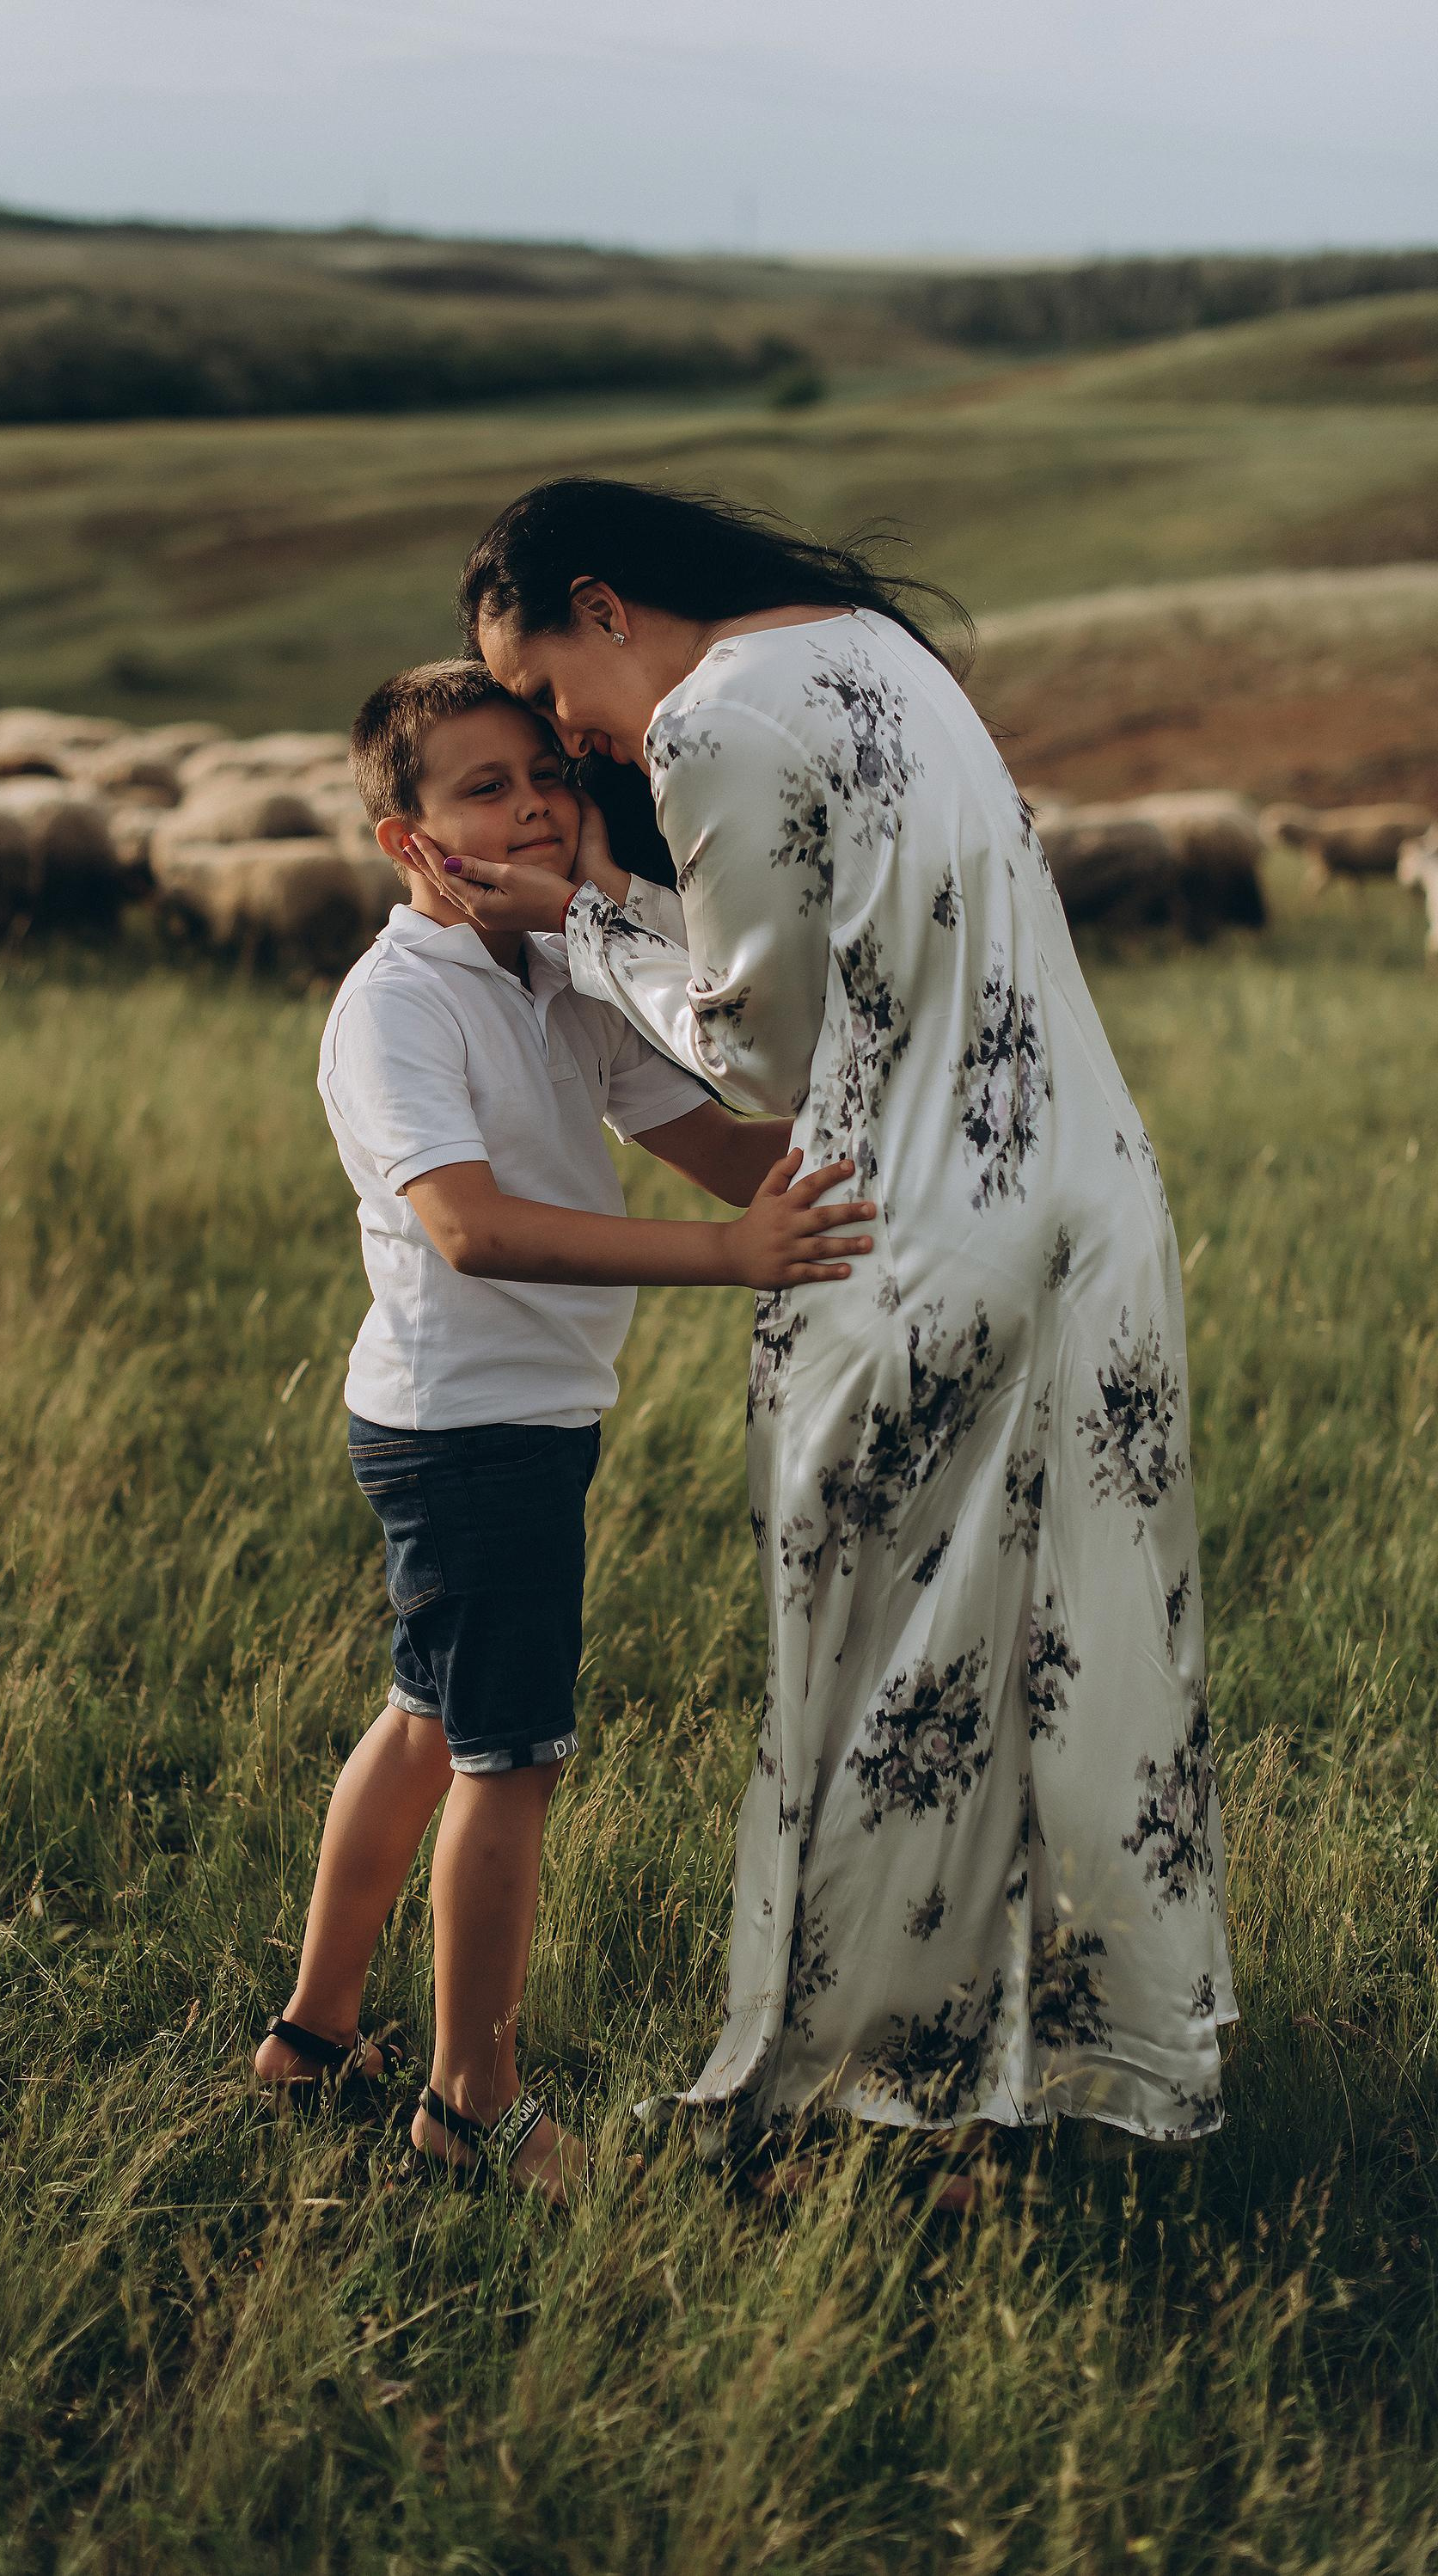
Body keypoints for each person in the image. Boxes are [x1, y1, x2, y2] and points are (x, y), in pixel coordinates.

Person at [425, 479, 1236, 2194]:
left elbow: (761, 1056)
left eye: (559, 693)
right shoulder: (873, 649)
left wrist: (569, 927)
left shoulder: (712, 714)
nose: (574, 741)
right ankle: (1043, 2080)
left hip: (908, 1238)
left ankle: (878, 2090)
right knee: (1054, 1659)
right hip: (1083, 1196)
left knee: (887, 1677)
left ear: (605, 602)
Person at [254, 658, 873, 2206]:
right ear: (408, 842)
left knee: (423, 1724)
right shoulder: (396, 1005)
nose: (532, 804)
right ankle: (475, 2102)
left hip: (511, 1418)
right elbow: (468, 1229)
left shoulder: (547, 975)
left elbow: (721, 1149)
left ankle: (313, 2039)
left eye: (549, 774)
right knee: (505, 1763)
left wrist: (876, 1135)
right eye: (484, 788)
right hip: (467, 1430)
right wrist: (728, 1266)